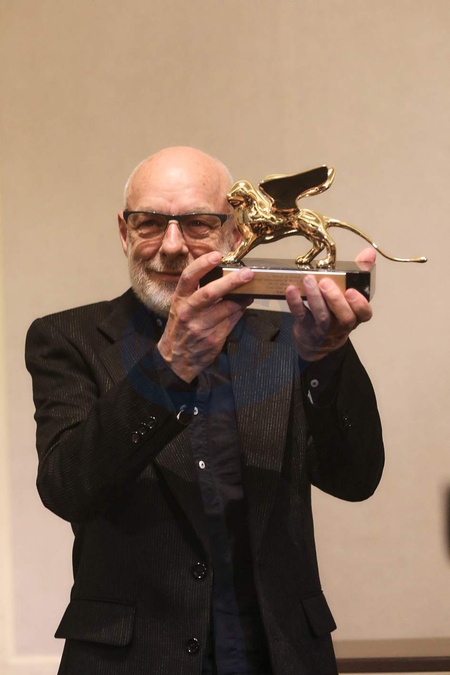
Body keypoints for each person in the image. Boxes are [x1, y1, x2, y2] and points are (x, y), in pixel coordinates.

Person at [25, 146, 384, 675]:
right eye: (150, 223)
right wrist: (168, 367)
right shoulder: (68, 338)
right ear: (124, 232)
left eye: (197, 223)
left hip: (279, 654)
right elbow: (66, 488)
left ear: (237, 233)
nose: (172, 246)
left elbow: (356, 479)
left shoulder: (295, 334)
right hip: (132, 659)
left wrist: (326, 361)